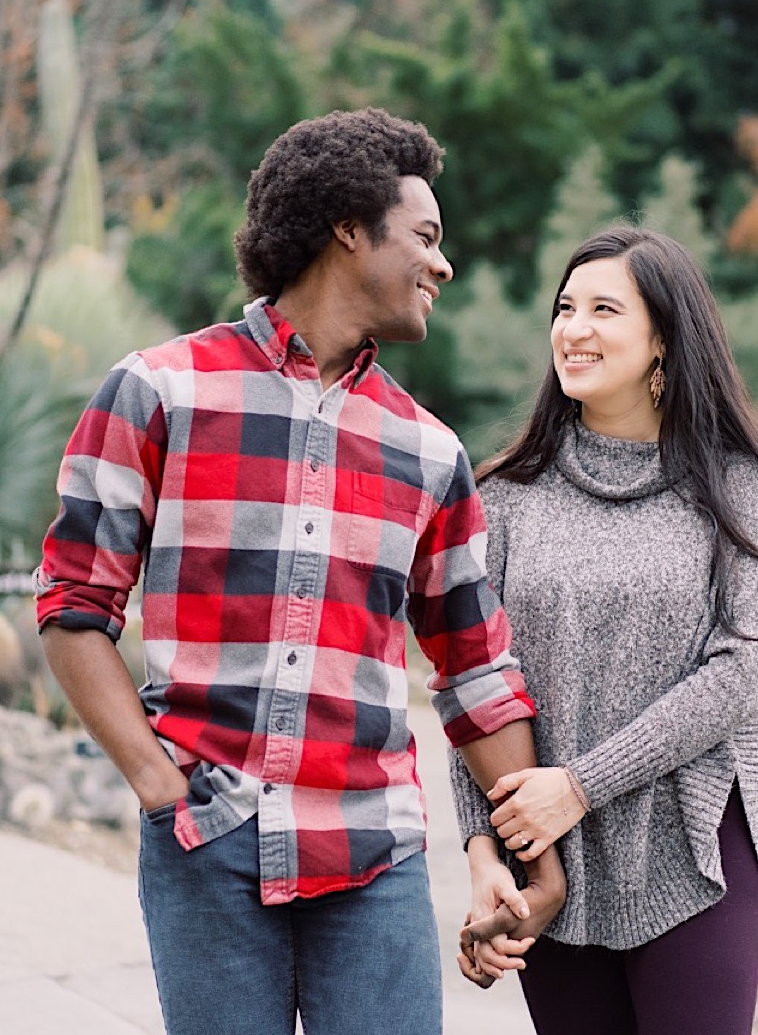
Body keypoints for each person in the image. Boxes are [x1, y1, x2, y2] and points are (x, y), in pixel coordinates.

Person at [35, 108, 565, 1035]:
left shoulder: (429, 452)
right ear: (349, 228)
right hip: (209, 843)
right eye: (427, 238)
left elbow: (476, 671)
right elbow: (75, 604)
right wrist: (160, 788)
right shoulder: (160, 391)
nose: (444, 265)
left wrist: (525, 851)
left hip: (375, 852)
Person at [450, 225, 758, 1035]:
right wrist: (484, 846)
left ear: (664, 338)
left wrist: (579, 787)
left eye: (603, 309)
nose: (573, 328)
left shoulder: (739, 492)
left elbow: (738, 674)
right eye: (564, 307)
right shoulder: (510, 497)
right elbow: (474, 678)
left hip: (700, 849)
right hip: (552, 858)